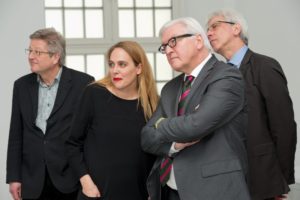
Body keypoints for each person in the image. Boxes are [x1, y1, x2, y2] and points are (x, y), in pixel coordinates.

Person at [141, 17, 250, 200]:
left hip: (214, 190)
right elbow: (146, 138)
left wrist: (160, 124)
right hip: (170, 189)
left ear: (198, 40)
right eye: (164, 47)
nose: (168, 50)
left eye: (173, 42)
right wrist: (174, 145)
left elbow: (195, 126)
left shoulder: (227, 76)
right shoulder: (171, 88)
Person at [206, 9, 297, 200]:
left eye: (214, 26)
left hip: (263, 180)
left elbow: (284, 126)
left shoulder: (264, 66)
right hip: (227, 180)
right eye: (208, 29)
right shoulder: (216, 75)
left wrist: (280, 180)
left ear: (236, 29)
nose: (209, 33)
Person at [6, 28, 95, 200]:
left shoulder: (84, 83)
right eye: (30, 50)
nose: (31, 56)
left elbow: (90, 135)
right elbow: (16, 135)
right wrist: (14, 177)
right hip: (32, 179)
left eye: (37, 52)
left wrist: (88, 177)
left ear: (55, 57)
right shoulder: (21, 86)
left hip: (70, 177)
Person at [66, 41, 159, 200]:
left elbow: (156, 154)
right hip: (96, 194)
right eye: (111, 64)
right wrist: (86, 182)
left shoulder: (153, 104)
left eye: (122, 64)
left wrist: (154, 190)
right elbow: (72, 143)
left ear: (138, 68)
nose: (115, 70)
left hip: (138, 194)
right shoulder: (93, 94)